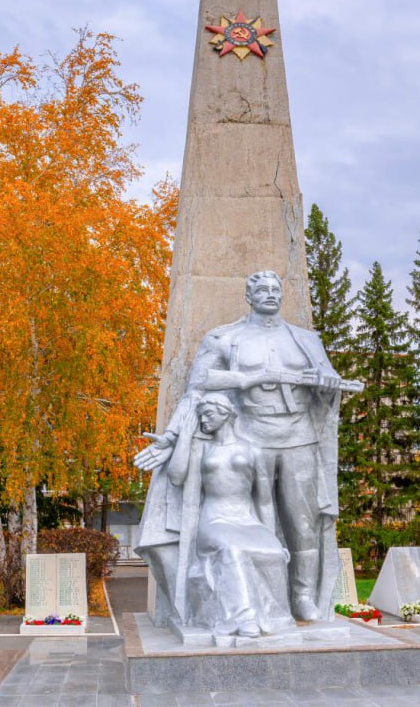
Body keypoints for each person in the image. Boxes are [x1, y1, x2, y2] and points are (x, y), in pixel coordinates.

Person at [135, 270, 354, 627]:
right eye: (262, 289)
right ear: (248, 297)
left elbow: (325, 384)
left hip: (300, 435)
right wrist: (246, 380)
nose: (270, 294)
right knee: (259, 521)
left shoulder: (305, 339)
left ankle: (301, 596)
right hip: (251, 436)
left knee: (304, 523)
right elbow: (199, 385)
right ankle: (271, 598)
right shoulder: (225, 338)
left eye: (276, 289)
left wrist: (328, 384)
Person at [170, 393, 294, 642]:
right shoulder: (202, 448)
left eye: (208, 414)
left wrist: (272, 536)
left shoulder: (253, 450)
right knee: (232, 549)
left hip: (247, 520)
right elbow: (176, 475)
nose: (203, 419)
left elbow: (265, 500)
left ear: (225, 413)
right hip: (214, 519)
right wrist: (185, 434)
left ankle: (275, 617)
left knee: (273, 552)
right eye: (201, 415)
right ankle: (244, 617)